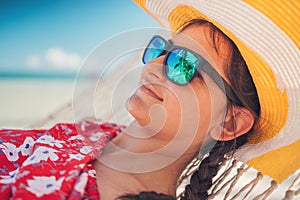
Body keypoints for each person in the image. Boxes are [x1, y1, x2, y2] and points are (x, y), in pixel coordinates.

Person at [1, 0, 299, 200]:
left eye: (184, 65)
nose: (154, 66)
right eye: (161, 50)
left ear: (230, 123)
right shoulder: (92, 132)